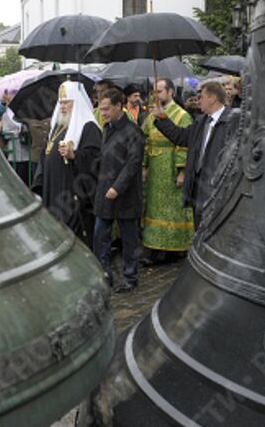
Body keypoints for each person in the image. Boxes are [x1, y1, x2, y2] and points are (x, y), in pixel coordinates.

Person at [153, 81, 240, 227]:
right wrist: (162, 119)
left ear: (212, 98)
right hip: (198, 188)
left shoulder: (232, 121)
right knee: (199, 228)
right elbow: (181, 137)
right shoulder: (201, 121)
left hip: (217, 189)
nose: (197, 100)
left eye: (201, 97)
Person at [33, 81, 101, 246]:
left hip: (72, 192)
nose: (62, 106)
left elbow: (95, 158)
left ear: (76, 103)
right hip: (53, 187)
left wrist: (74, 155)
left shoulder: (88, 127)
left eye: (67, 102)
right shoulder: (58, 126)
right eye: (61, 102)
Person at [93, 88, 145, 292]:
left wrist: (117, 187)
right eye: (100, 108)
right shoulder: (107, 128)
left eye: (106, 109)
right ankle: (105, 273)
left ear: (117, 106)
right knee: (100, 235)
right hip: (104, 191)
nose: (103, 113)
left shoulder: (134, 131)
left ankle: (130, 277)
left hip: (126, 194)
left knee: (129, 238)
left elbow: (133, 163)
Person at [142, 78, 195, 263]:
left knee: (171, 210)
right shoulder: (152, 115)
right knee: (155, 209)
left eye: (159, 91)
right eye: (154, 92)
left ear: (171, 92)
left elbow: (185, 145)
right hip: (156, 169)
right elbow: (146, 140)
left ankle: (171, 248)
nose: (155, 95)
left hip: (171, 167)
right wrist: (144, 165)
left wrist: (182, 171)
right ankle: (154, 246)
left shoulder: (182, 115)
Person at [1, 106, 33, 186]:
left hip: (26, 149)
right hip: (14, 151)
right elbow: (6, 133)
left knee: (27, 175)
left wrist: (24, 130)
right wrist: (18, 132)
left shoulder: (26, 113)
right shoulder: (6, 115)